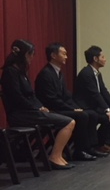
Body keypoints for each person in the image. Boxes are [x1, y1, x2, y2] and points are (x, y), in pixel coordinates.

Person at [1, 39, 75, 170]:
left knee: (67, 120)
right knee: (69, 122)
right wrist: (36, 108)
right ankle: (55, 156)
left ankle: (58, 155)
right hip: (20, 114)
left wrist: (41, 106)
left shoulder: (22, 72)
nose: (31, 58)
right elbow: (17, 97)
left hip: (30, 112)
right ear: (23, 55)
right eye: (30, 55)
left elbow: (32, 95)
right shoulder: (10, 72)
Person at [35, 42, 106, 161]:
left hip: (60, 107)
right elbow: (51, 99)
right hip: (51, 109)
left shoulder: (59, 73)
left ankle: (90, 147)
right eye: (63, 54)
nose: (66, 57)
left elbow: (66, 96)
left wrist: (76, 107)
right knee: (82, 116)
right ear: (53, 55)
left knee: (91, 114)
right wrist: (72, 109)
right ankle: (80, 150)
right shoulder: (46, 74)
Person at [73, 45, 110, 153]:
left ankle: (102, 143)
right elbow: (95, 94)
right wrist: (107, 110)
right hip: (86, 107)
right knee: (107, 118)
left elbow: (104, 92)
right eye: (102, 57)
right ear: (95, 59)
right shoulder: (86, 73)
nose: (105, 59)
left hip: (95, 107)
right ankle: (96, 145)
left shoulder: (97, 73)